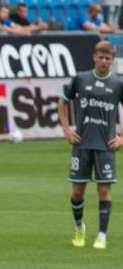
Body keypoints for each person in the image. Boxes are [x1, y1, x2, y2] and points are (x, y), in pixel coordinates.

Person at [59, 40, 123, 250]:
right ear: (94, 58)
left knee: (104, 191)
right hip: (82, 144)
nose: (104, 61)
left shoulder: (117, 84)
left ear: (113, 61)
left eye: (108, 59)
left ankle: (102, 235)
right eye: (101, 57)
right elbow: (63, 100)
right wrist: (66, 129)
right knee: (77, 192)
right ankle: (79, 228)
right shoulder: (81, 78)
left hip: (106, 146)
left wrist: (122, 137)